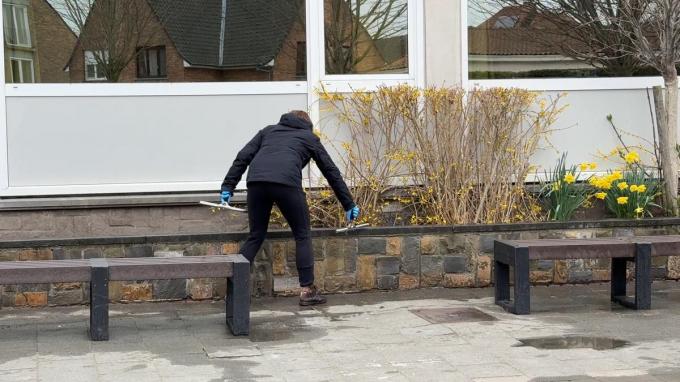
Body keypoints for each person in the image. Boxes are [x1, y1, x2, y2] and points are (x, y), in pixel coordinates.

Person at [220, 110, 360, 306]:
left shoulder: (268, 131)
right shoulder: (309, 137)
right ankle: (307, 291)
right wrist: (348, 203)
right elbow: (331, 171)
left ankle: (234, 289)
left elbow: (243, 156)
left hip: (256, 183)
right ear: (307, 125)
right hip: (286, 183)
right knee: (302, 234)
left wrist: (228, 186)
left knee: (256, 235)